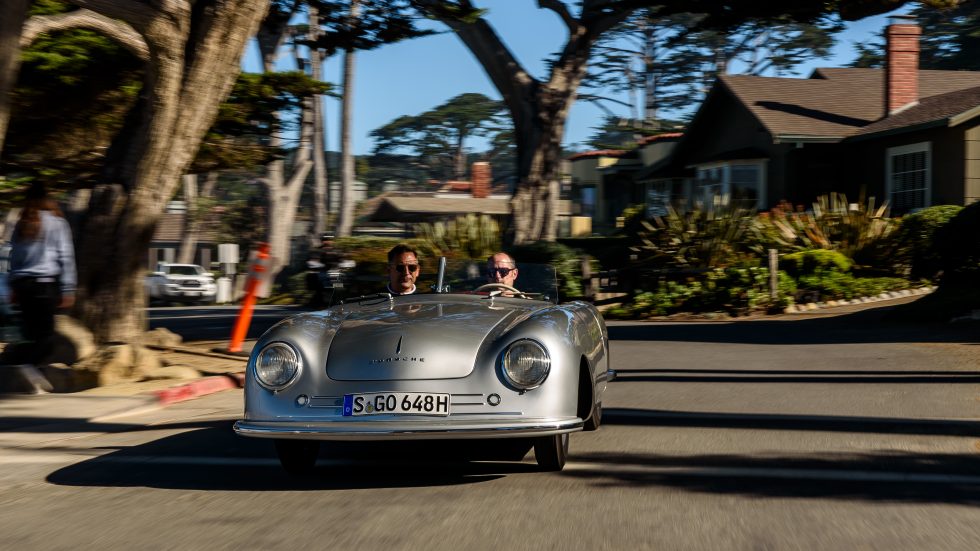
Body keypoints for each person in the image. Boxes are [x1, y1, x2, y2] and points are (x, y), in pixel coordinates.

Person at [8, 183, 77, 362]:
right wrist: (68, 288)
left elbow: (14, 257)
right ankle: (35, 375)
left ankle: (26, 371)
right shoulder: (58, 223)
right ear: (48, 200)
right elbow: (66, 256)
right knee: (45, 336)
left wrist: (13, 286)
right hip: (46, 285)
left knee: (30, 334)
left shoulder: (21, 224)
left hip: (23, 286)